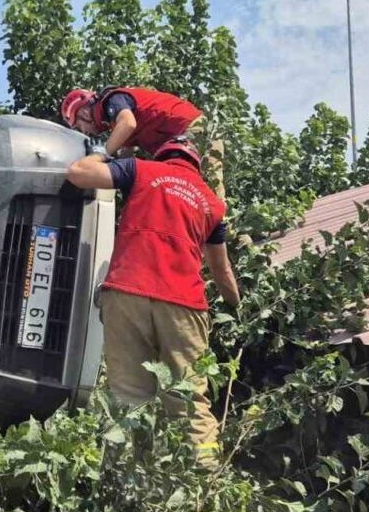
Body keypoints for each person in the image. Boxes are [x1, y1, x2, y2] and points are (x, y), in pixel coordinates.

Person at [66, 138, 240, 464]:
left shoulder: (141, 170)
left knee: (127, 396)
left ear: (162, 155)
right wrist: (237, 304)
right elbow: (221, 269)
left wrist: (106, 152)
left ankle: (126, 479)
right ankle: (202, 483)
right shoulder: (213, 204)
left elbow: (78, 173)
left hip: (127, 293)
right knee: (187, 398)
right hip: (184, 305)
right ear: (196, 164)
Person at [61, 86, 226, 197]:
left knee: (208, 194)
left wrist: (101, 153)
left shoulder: (113, 100)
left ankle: (240, 242)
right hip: (179, 141)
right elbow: (126, 159)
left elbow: (128, 123)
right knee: (178, 192)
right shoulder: (115, 126)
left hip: (194, 129)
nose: (83, 131)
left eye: (78, 125)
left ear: (83, 112)